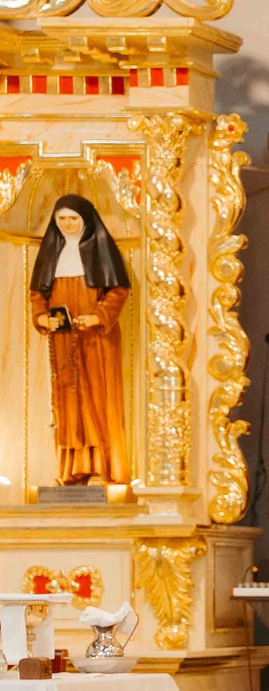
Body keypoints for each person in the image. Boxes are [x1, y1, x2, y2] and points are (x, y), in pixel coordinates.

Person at [27, 194, 131, 487]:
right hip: (63, 339)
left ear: (86, 220)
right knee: (68, 403)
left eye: (73, 218)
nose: (68, 224)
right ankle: (72, 471)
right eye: (62, 219)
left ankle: (102, 469)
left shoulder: (100, 250)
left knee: (99, 400)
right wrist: (41, 317)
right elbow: (38, 294)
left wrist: (98, 316)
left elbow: (118, 291)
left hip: (97, 339)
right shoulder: (51, 252)